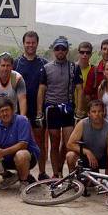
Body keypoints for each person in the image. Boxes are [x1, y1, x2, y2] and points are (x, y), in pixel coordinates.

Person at [0, 97, 39, 192]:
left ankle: (24, 181)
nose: (4, 114)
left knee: (21, 155)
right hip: (7, 156)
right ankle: (9, 176)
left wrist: (3, 152)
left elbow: (23, 145)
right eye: (1, 111)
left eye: (7, 110)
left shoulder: (22, 120)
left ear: (13, 110)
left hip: (28, 156)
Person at [37, 36, 77, 178]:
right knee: (54, 142)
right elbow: (41, 90)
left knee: (69, 143)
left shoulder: (73, 67)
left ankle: (66, 171)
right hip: (52, 108)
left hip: (67, 108)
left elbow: (79, 88)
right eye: (57, 48)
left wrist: (79, 109)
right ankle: (55, 174)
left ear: (67, 50)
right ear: (54, 50)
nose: (60, 51)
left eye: (63, 48)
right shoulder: (46, 68)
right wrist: (39, 111)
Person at [14, 31, 49, 180]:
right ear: (23, 43)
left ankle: (42, 172)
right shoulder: (16, 63)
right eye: (28, 42)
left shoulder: (44, 64)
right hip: (19, 109)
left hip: (38, 109)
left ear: (37, 43)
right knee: (19, 142)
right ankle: (24, 174)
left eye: (33, 42)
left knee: (40, 141)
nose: (30, 45)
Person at [65, 100, 108, 175]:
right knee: (70, 156)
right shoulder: (82, 124)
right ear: (89, 114)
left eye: (100, 111)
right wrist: (87, 152)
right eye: (94, 112)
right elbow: (70, 144)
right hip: (86, 157)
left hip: (103, 157)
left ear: (104, 113)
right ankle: (74, 180)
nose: (97, 114)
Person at [0, 53, 27, 120]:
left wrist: (22, 118)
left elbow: (22, 100)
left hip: (12, 114)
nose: (5, 68)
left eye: (8, 65)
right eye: (3, 65)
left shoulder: (18, 78)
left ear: (12, 66)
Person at [74, 42, 95, 119]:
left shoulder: (94, 70)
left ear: (91, 54)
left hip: (89, 112)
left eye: (87, 52)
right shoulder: (71, 69)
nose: (84, 55)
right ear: (78, 53)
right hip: (72, 110)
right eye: (82, 52)